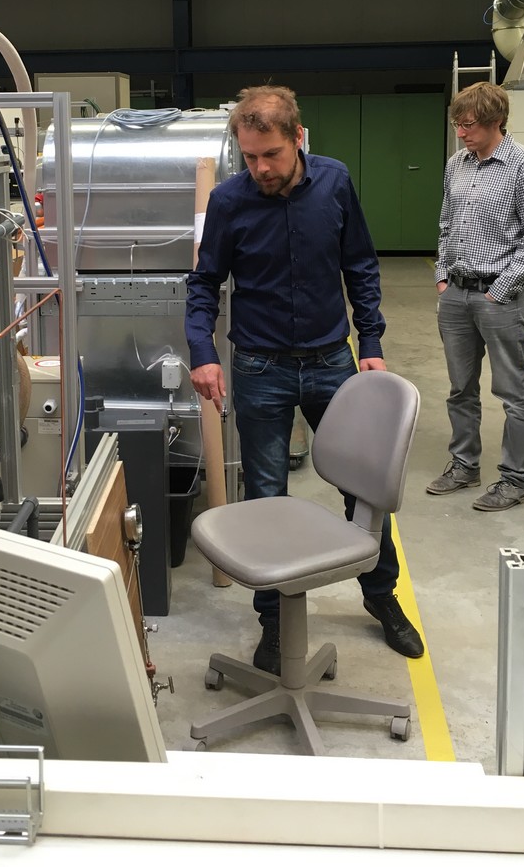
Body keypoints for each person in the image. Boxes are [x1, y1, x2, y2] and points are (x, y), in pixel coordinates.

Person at [185, 85, 422, 675]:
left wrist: (371, 344)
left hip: (331, 363)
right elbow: (204, 283)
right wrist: (202, 352)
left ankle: (381, 596)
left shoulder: (335, 182)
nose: (261, 168)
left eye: (271, 154)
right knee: (266, 496)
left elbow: (360, 265)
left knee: (363, 492)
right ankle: (274, 621)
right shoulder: (229, 201)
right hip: (259, 367)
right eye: (249, 157)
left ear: (297, 138)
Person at [428, 82, 524, 511]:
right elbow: (446, 223)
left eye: (469, 125)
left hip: (499, 296)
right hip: (455, 294)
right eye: (457, 125)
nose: (461, 133)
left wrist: (499, 291)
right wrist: (442, 276)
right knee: (460, 387)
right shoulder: (456, 164)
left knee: (513, 393)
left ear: (496, 121)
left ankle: (515, 480)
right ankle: (465, 465)